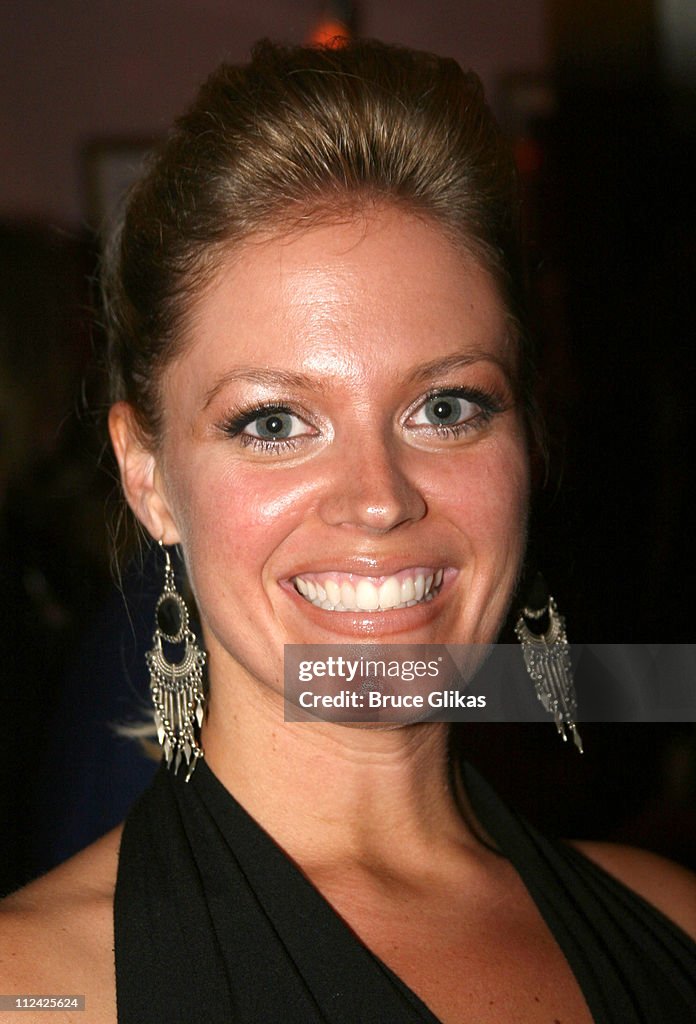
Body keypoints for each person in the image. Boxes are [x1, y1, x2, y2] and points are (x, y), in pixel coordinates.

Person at [1, 38, 696, 1024]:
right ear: (148, 476)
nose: (379, 498)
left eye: (448, 407)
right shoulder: (35, 989)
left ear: (531, 441)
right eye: (275, 421)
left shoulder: (671, 927)